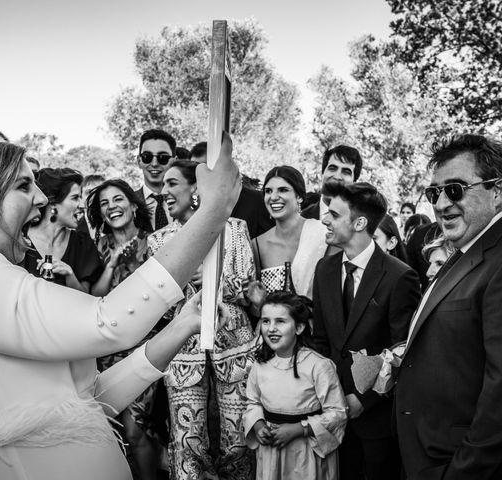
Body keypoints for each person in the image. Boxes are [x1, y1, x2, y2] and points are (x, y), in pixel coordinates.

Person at [0, 134, 242, 480]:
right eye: (24, 185)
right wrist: (214, 211)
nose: (41, 199)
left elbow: (87, 400)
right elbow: (108, 323)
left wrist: (181, 326)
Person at [396, 134, 502, 479]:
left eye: (454, 189)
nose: (440, 204)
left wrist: (460, 472)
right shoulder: (466, 249)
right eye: (433, 193)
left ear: (497, 191)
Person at [147, 159, 256, 480]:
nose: (163, 191)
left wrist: (213, 278)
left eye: (172, 184)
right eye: (162, 185)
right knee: (187, 441)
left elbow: (249, 287)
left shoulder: (234, 229)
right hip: (184, 356)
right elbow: (161, 310)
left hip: (235, 350)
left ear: (195, 189)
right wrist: (178, 283)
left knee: (238, 442)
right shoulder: (158, 241)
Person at [311, 182, 420, 480]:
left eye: (334, 214)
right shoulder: (325, 269)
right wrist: (330, 397)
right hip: (331, 414)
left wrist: (363, 400)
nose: (325, 219)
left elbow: (403, 350)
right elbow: (320, 339)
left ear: (360, 223)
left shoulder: (399, 277)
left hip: (376, 420)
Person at [85, 178, 158, 479]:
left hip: (144, 344)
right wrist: (113, 263)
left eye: (118, 199)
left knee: (135, 428)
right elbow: (93, 296)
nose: (112, 207)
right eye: (104, 203)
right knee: (111, 427)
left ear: (132, 203)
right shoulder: (96, 248)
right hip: (106, 347)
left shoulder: (154, 241)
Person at [244, 292, 347, 480]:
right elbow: (253, 402)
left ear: (299, 327)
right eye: (266, 321)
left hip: (306, 452)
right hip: (272, 450)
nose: (271, 328)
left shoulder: (319, 366)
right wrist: (258, 426)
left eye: (281, 321)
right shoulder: (259, 366)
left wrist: (299, 430)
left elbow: (337, 412)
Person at [251, 166, 328, 302]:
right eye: (268, 191)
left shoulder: (322, 233)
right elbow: (256, 307)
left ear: (299, 196)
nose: (273, 197)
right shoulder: (257, 245)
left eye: (283, 190)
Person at [22, 168, 102, 292]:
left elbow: (87, 299)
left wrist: (69, 275)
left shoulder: (83, 244)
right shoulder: (20, 240)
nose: (82, 205)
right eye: (75, 197)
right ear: (53, 202)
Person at [191, 140, 273, 238]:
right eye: (195, 170)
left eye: (208, 168)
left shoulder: (258, 200)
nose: (202, 175)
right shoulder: (193, 206)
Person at [301, 145, 363, 221]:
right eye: (332, 168)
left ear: (354, 182)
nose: (337, 177)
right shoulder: (301, 218)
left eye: (346, 172)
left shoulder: (360, 222)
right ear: (322, 173)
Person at [134, 129, 176, 231]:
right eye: (147, 157)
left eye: (163, 157)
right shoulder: (129, 203)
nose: (154, 164)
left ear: (175, 161)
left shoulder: (187, 202)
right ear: (139, 161)